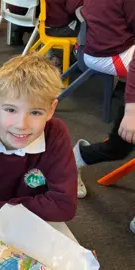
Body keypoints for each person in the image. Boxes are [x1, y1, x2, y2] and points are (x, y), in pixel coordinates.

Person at [0, 54, 77, 241]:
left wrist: (0, 208)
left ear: (51, 110)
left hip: (32, 224)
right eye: (10, 110)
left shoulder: (56, 135)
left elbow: (64, 205)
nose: (21, 125)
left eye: (35, 112)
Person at [72, 0, 135, 233]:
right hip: (103, 50)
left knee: (119, 148)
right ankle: (76, 157)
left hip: (96, 44)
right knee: (118, 148)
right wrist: (131, 109)